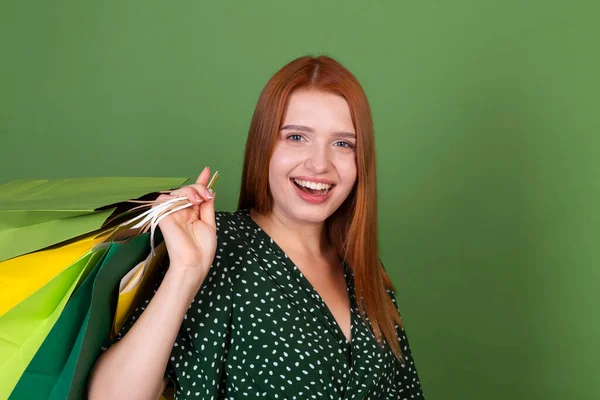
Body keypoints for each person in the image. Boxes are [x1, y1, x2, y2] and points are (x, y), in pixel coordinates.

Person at [88, 55, 425, 399]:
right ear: (263, 145)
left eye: (342, 143)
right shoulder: (217, 247)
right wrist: (186, 271)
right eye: (296, 137)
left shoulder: (364, 268)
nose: (320, 164)